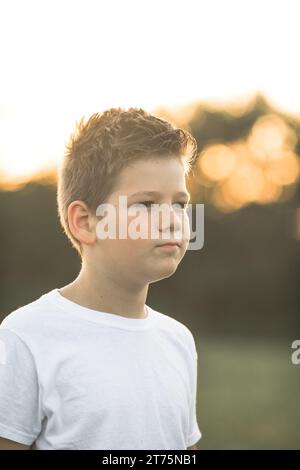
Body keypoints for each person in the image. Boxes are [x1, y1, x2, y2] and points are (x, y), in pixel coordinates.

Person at [0, 107, 202, 450]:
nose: (172, 220)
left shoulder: (179, 340)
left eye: (180, 204)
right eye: (147, 204)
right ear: (85, 222)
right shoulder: (25, 338)